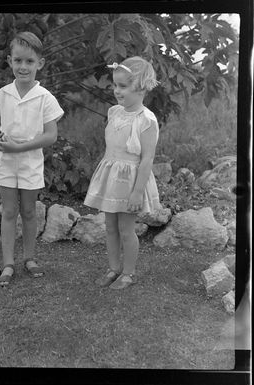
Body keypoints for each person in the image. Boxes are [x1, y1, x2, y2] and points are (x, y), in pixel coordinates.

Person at [0, 31, 64, 286]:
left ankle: (29, 258)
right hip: (6, 163)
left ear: (39, 64)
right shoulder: (3, 94)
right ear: (10, 61)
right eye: (18, 60)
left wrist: (21, 148)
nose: (23, 66)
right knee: (9, 211)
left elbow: (51, 135)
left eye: (29, 61)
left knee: (29, 212)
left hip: (30, 163)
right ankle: (7, 264)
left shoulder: (45, 98)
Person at [84, 56, 162, 289]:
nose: (117, 91)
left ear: (140, 87)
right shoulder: (113, 112)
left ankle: (128, 273)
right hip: (111, 176)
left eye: (123, 86)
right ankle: (113, 268)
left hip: (131, 182)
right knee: (110, 226)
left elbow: (147, 159)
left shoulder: (146, 120)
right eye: (115, 85)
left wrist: (137, 192)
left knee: (126, 229)